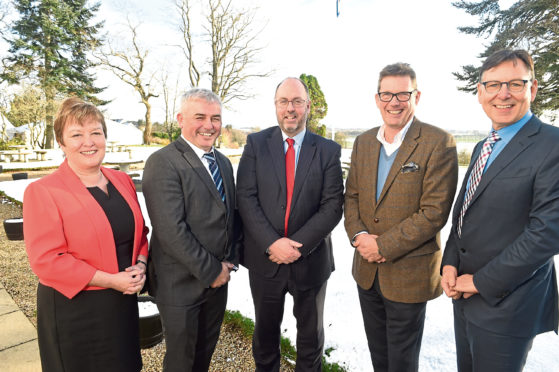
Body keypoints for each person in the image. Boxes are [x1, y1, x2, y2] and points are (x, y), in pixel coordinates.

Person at [441, 49, 559, 372]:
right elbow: (464, 213)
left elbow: (546, 234)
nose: (503, 94)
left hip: (508, 308)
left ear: (532, 89)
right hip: (463, 299)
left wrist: (478, 281)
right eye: (493, 85)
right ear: (480, 92)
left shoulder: (553, 144)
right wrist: (449, 263)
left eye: (515, 84)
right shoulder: (484, 146)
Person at [344, 63, 458, 371]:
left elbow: (434, 213)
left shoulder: (438, 142)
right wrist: (360, 238)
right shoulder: (363, 142)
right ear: (377, 98)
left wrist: (384, 246)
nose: (394, 101)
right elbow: (351, 197)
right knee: (379, 356)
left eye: (402, 94)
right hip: (366, 272)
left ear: (416, 96)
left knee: (402, 363)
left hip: (409, 273)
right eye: (387, 94)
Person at [23, 97, 149, 372]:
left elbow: (140, 234)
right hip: (76, 311)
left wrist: (140, 264)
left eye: (96, 132)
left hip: (122, 305)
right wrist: (111, 280)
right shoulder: (44, 191)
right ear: (61, 143)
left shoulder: (122, 180)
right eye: (77, 135)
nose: (88, 142)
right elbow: (47, 260)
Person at [236, 77, 344, 372]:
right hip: (266, 260)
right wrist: (273, 243)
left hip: (310, 261)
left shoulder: (327, 151)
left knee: (310, 340)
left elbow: (333, 205)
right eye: (284, 101)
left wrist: (296, 246)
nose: (290, 108)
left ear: (308, 106)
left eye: (297, 101)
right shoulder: (256, 144)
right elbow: (245, 197)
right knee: (265, 337)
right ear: (275, 106)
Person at [142, 88, 240, 372]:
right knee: (181, 363)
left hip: (217, 284)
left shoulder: (222, 162)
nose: (209, 125)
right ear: (180, 119)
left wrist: (228, 264)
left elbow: (229, 217)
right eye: (200, 117)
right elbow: (171, 230)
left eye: (216, 118)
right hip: (180, 285)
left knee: (202, 357)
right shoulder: (163, 162)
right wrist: (212, 271)